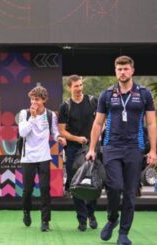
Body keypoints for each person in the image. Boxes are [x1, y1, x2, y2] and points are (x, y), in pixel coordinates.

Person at [86, 56, 157, 245]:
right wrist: (92, 148)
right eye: (119, 69)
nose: (122, 72)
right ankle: (112, 218)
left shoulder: (144, 94)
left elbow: (151, 123)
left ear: (132, 70)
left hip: (135, 148)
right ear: (115, 71)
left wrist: (153, 151)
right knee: (114, 187)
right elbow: (98, 123)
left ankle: (123, 233)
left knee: (130, 192)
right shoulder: (107, 94)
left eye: (125, 69)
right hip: (111, 147)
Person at [18, 85, 66, 232]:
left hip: (44, 156)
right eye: (32, 99)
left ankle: (45, 221)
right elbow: (23, 133)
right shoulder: (24, 113)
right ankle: (26, 212)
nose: (34, 102)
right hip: (28, 158)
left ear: (44, 100)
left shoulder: (51, 114)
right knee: (27, 190)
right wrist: (32, 117)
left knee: (45, 189)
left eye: (37, 99)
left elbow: (55, 131)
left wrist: (59, 138)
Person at [58, 75, 98, 232]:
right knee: (76, 186)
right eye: (76, 86)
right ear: (69, 87)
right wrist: (77, 139)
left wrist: (97, 136)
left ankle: (91, 214)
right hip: (73, 150)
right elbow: (62, 131)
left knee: (94, 183)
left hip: (92, 148)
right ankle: (82, 219)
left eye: (81, 85)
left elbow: (101, 121)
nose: (79, 88)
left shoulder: (93, 101)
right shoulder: (65, 106)